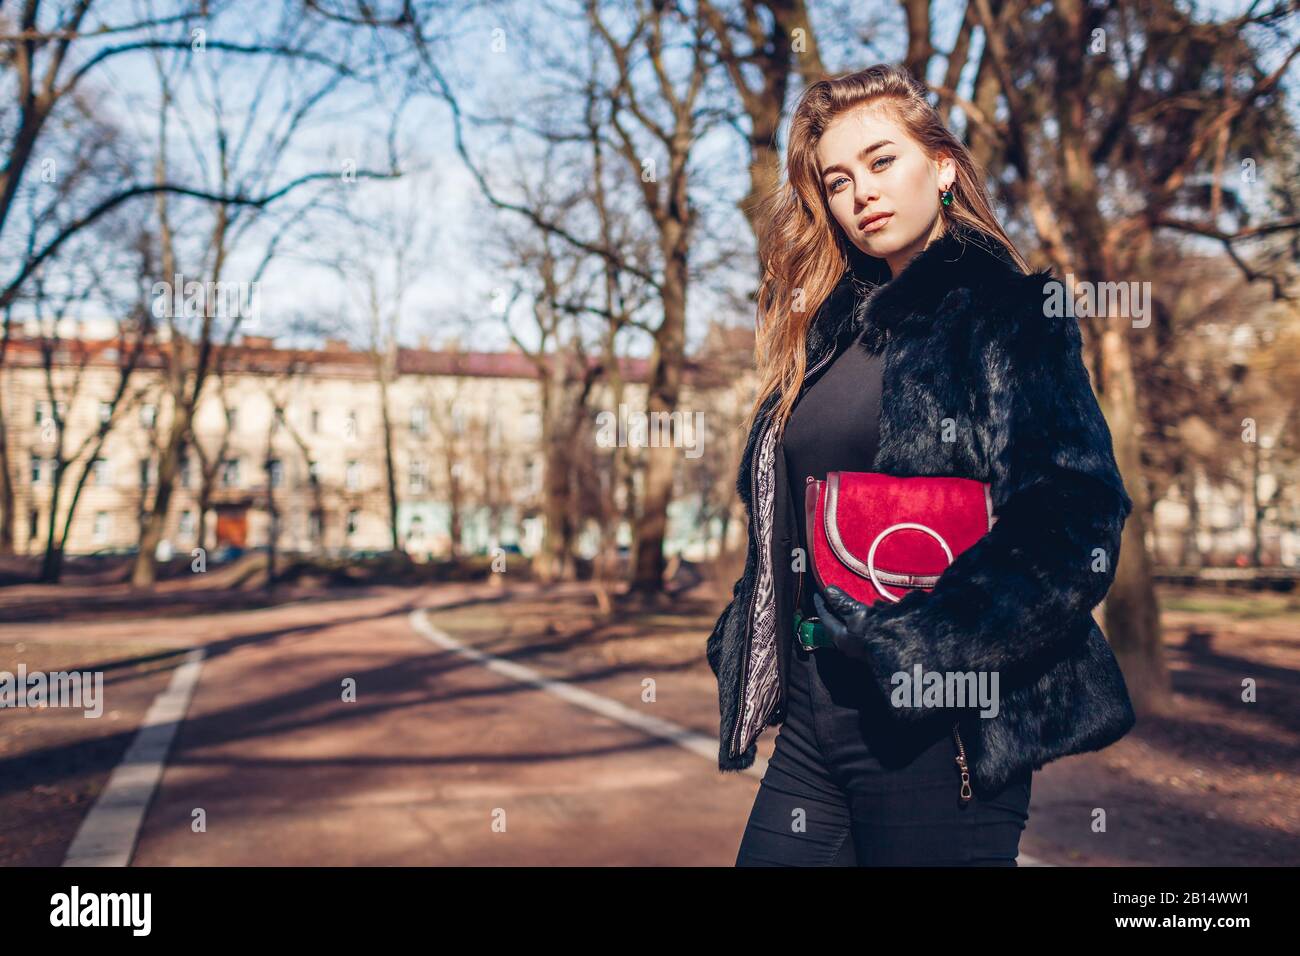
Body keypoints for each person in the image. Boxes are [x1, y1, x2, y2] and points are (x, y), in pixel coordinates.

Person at [705, 63, 1137, 866]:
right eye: (837, 180)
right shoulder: (826, 337)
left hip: (942, 731)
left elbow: (1077, 517)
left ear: (941, 166)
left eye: (881, 161)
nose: (860, 192)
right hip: (812, 718)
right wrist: (751, 631)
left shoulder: (1010, 315)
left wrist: (926, 645)